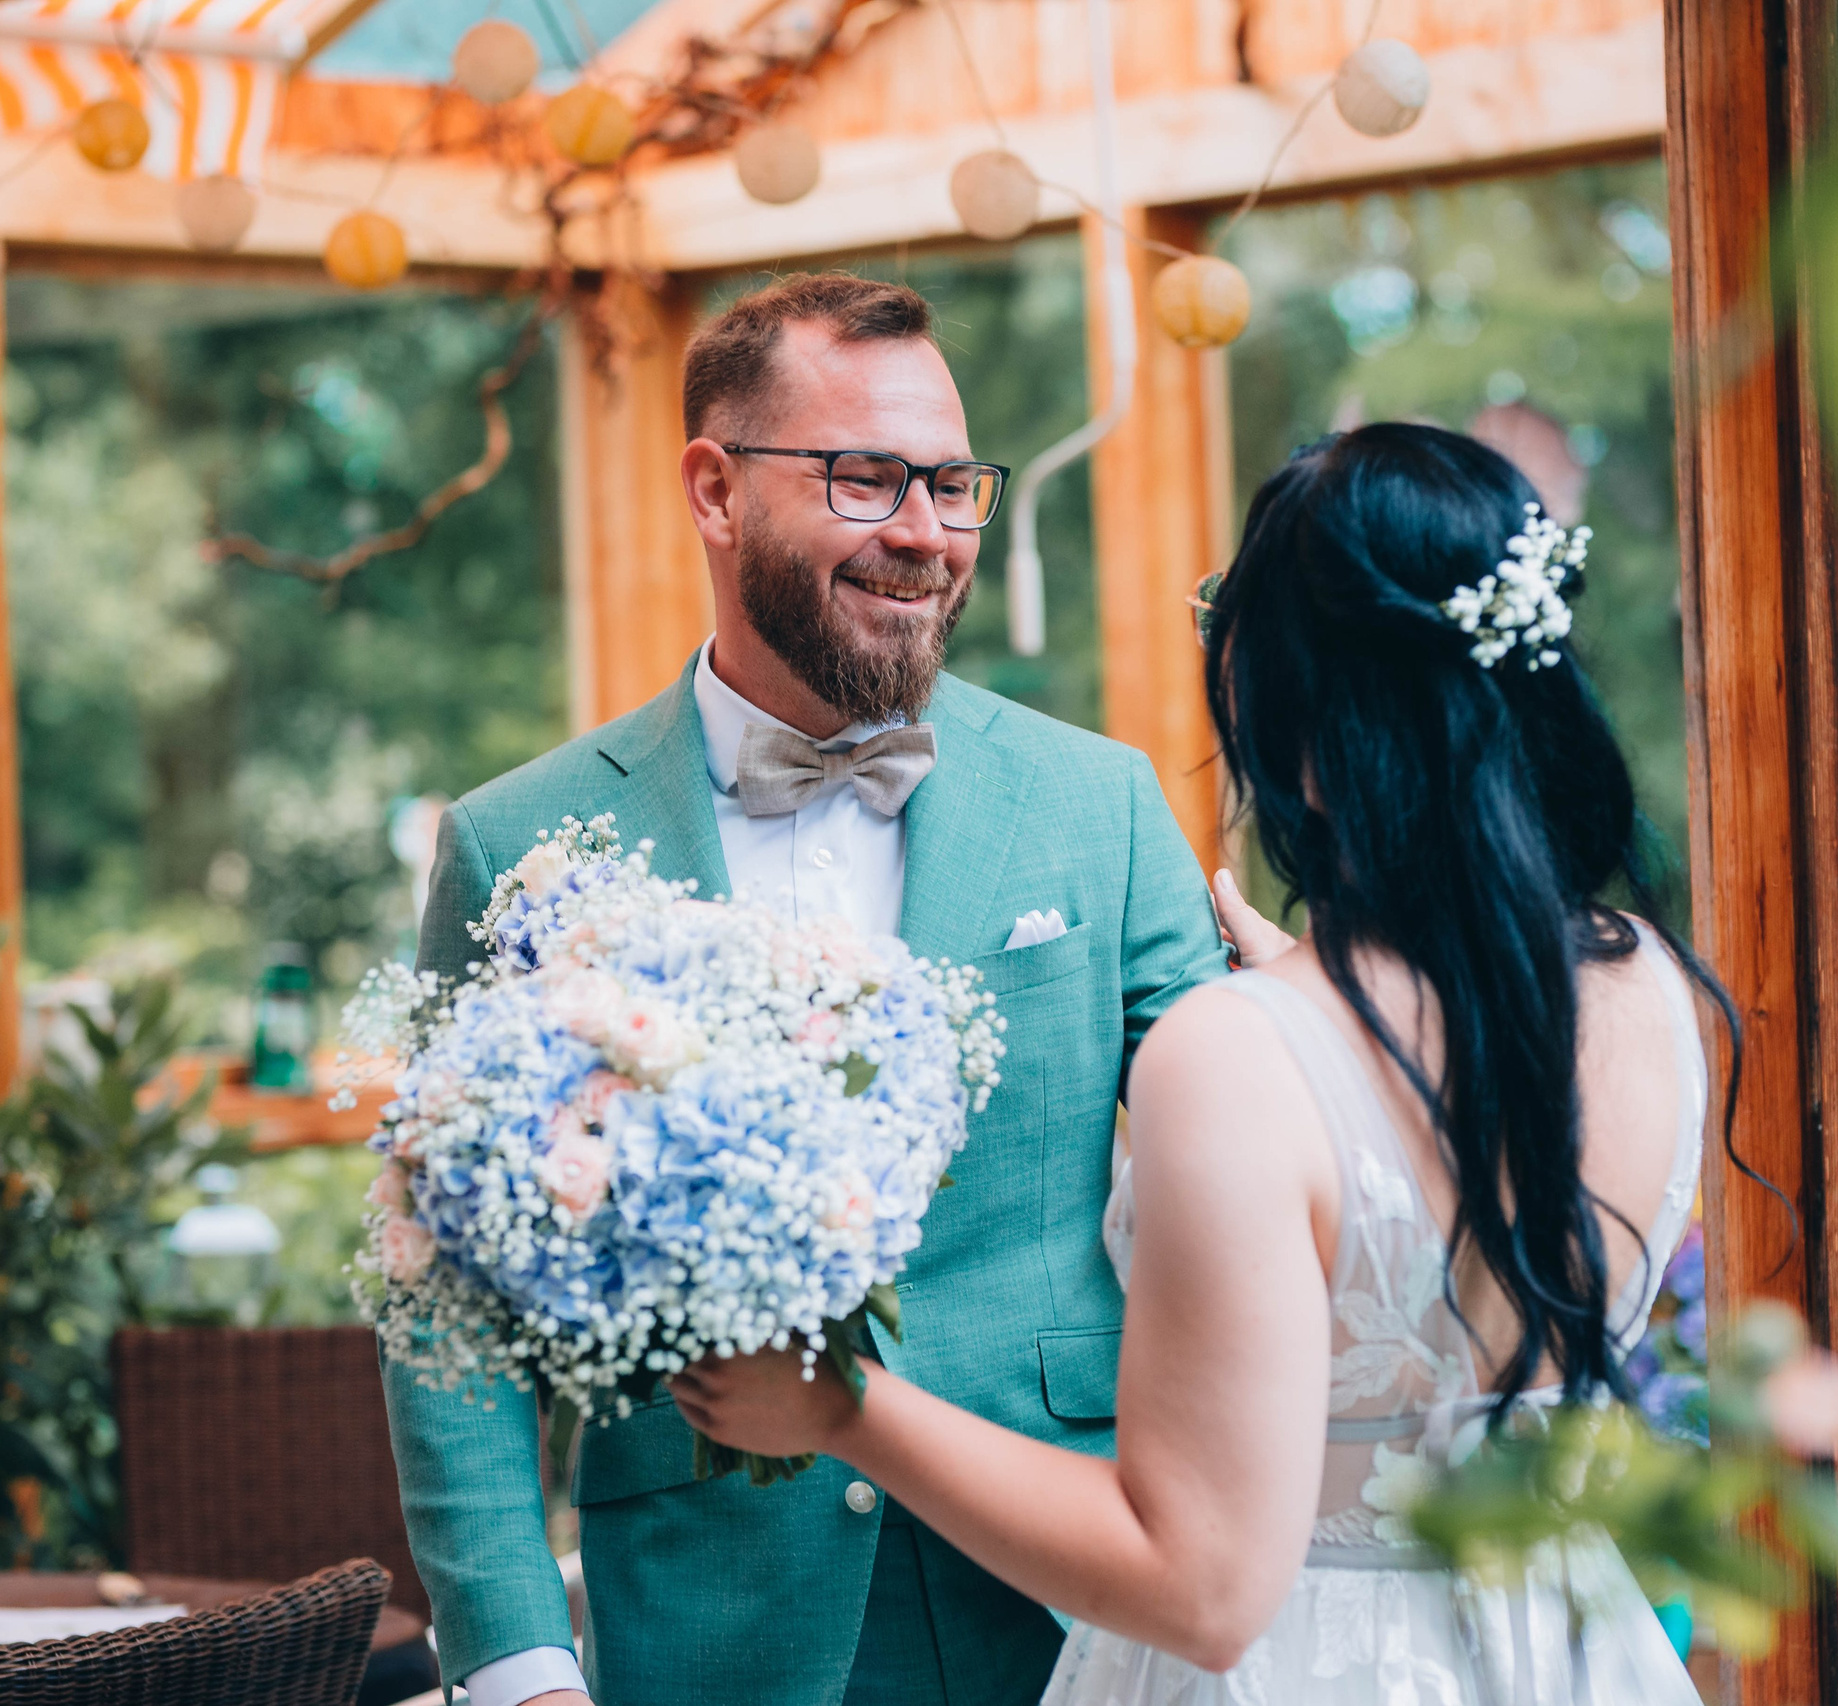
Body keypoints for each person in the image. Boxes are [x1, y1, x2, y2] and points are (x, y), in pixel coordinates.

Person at [672, 423, 1726, 1704]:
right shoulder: (1646, 986)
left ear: (1282, 707)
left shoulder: (1235, 1053)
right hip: (1564, 1647)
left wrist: (841, 1412)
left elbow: (1207, 1589)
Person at [381, 272, 1234, 1706]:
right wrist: (521, 1668)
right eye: (865, 478)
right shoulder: (514, 846)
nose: (926, 533)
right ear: (715, 489)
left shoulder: (1108, 806)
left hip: (1065, 1624)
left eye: (953, 484)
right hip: (707, 1637)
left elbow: (1247, 1194)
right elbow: (441, 1295)